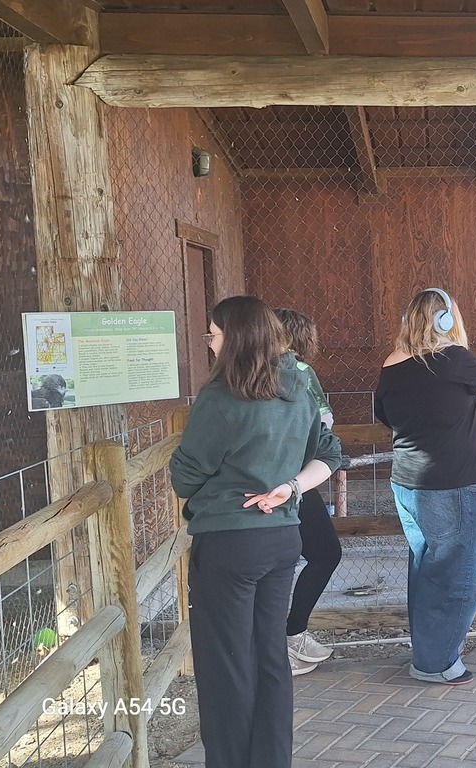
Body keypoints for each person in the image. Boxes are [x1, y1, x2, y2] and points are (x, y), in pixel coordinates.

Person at [170, 296, 343, 768]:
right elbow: (329, 454)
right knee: (270, 658)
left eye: (214, 333)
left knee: (226, 664)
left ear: (236, 337)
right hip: (283, 540)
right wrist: (290, 486)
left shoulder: (222, 397)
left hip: (229, 542)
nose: (210, 343)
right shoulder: (299, 389)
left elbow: (186, 477)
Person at [374, 288, 476, 685]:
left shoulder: (391, 364)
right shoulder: (455, 359)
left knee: (427, 569)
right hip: (453, 483)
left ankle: (429, 653)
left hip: (407, 484)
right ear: (446, 321)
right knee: (461, 574)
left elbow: (383, 416)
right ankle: (437, 662)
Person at [274, 308, 342, 676]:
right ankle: (289, 637)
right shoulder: (299, 372)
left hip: (281, 479)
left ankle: (290, 634)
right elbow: (323, 420)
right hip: (296, 478)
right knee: (325, 553)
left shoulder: (248, 373)